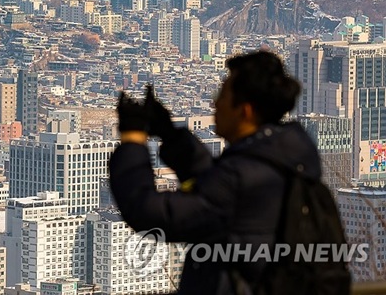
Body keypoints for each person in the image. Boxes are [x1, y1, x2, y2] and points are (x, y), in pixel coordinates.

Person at [109, 50, 323, 294]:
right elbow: (216, 190)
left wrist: (132, 140)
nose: (215, 102)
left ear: (246, 110)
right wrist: (170, 134)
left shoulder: (244, 175)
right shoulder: (283, 158)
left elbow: (149, 213)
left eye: (222, 94)